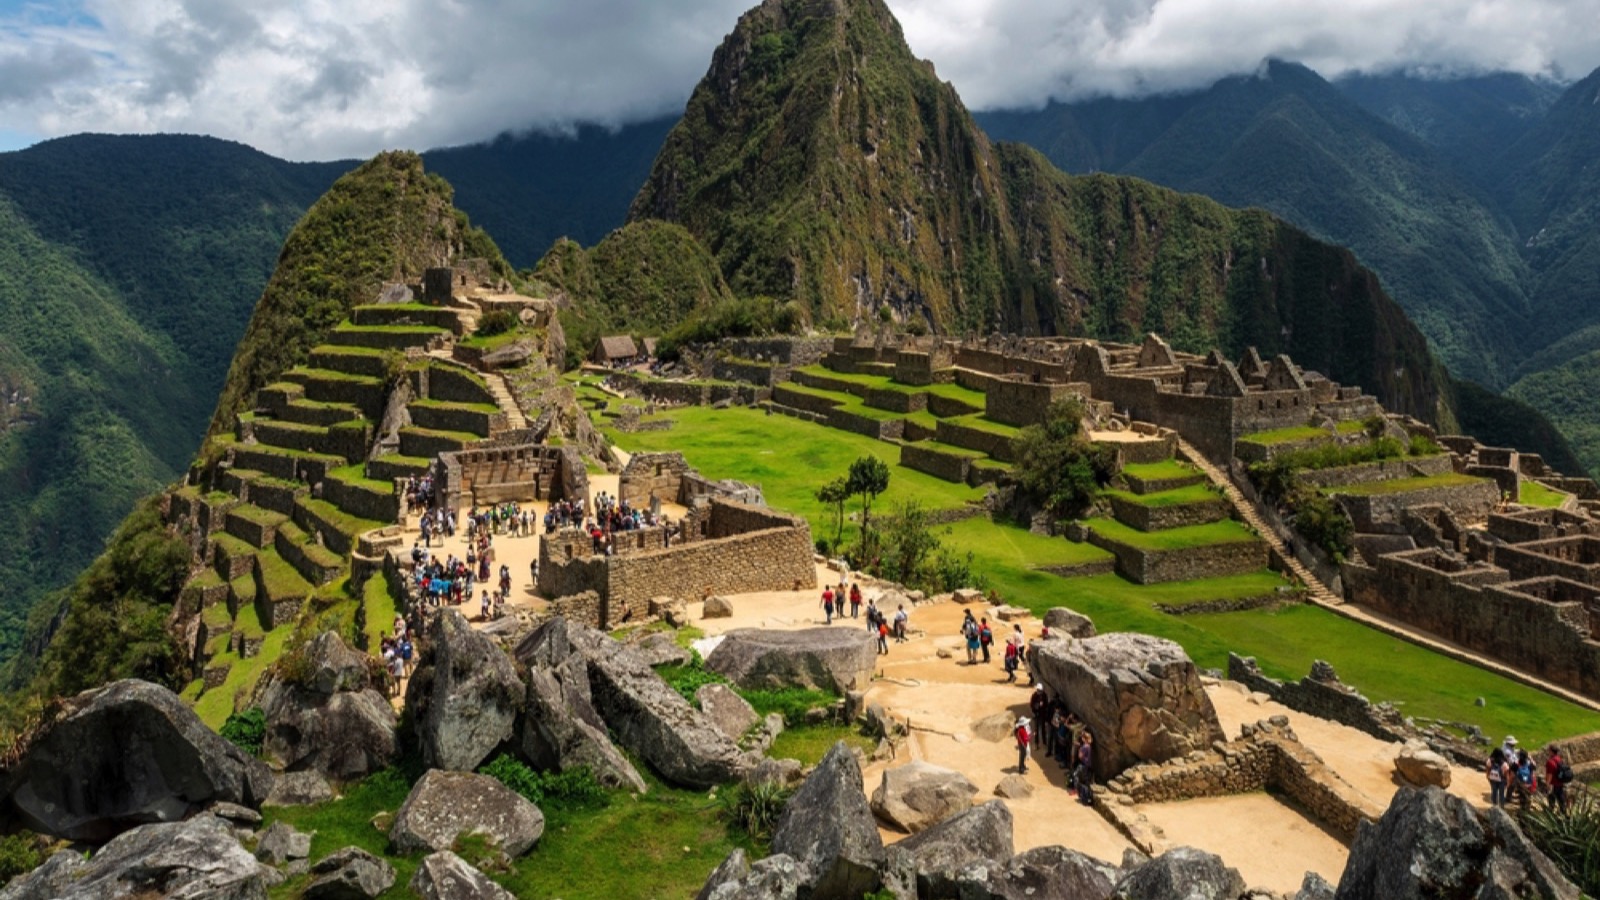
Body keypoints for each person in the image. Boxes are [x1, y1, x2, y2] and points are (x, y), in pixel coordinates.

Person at [1545, 744, 1571, 814]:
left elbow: (1549, 775)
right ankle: (1564, 813)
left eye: (1549, 750)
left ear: (1551, 751)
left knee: (1551, 802)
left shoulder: (1550, 762)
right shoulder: (1559, 759)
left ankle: (1551, 814)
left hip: (1553, 784)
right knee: (1561, 800)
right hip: (1560, 783)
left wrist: (1547, 785)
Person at [1075, 731, 1095, 805]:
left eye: (1082, 737)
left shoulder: (1084, 747)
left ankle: (1083, 797)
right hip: (1088, 766)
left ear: (1084, 739)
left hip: (1083, 765)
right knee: (1087, 783)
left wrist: (1079, 748)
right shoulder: (1089, 746)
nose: (1081, 738)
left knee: (1079, 780)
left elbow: (1080, 756)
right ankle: (1088, 798)